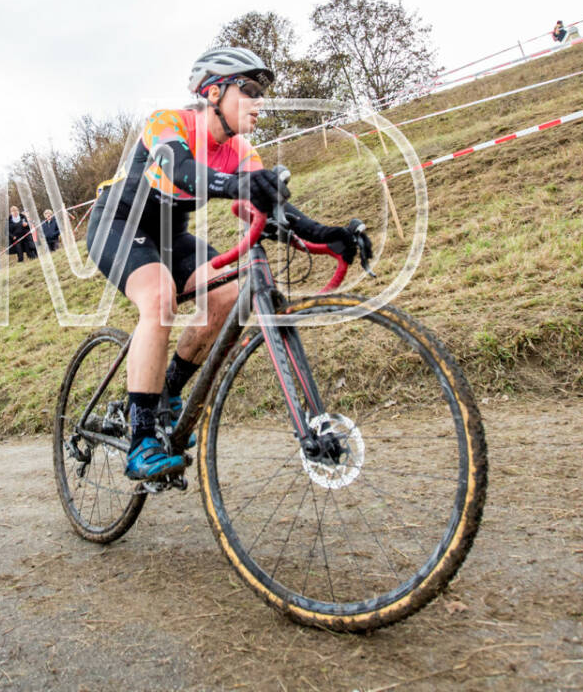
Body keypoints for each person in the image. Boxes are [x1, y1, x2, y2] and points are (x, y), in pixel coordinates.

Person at [85, 46, 372, 481]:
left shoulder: (240, 150)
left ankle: (169, 395)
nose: (260, 103)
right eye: (250, 90)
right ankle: (141, 438)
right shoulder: (168, 123)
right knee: (160, 298)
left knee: (226, 296)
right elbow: (181, 170)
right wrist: (240, 183)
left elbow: (267, 208)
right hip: (119, 222)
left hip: (171, 235)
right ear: (215, 92)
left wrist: (325, 235)